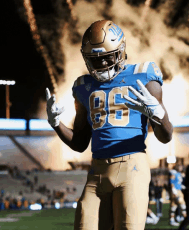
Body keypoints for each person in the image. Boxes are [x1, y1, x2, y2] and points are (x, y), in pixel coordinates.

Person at [45, 20, 173, 230]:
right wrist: (56, 123)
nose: (102, 64)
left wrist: (158, 114)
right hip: (97, 171)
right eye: (95, 60)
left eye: (106, 58)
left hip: (132, 167)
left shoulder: (144, 76)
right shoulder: (83, 86)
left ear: (121, 51)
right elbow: (79, 142)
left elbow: (166, 136)